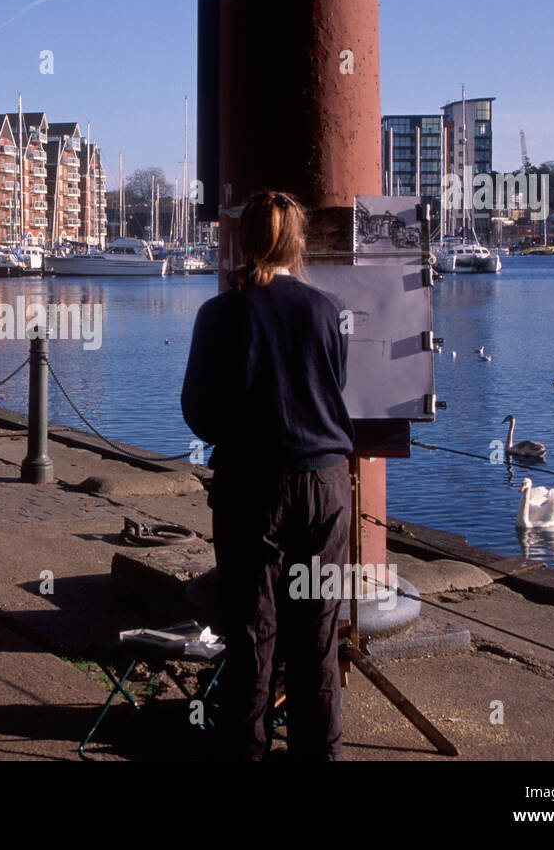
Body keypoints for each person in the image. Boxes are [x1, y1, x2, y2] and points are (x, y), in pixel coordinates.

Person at [181, 189, 355, 761]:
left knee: (252, 633)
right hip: (325, 484)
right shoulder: (326, 310)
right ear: (294, 243)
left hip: (253, 487)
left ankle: (246, 752)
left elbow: (197, 411)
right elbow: (336, 389)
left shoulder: (219, 313)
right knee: (318, 634)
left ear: (241, 239)